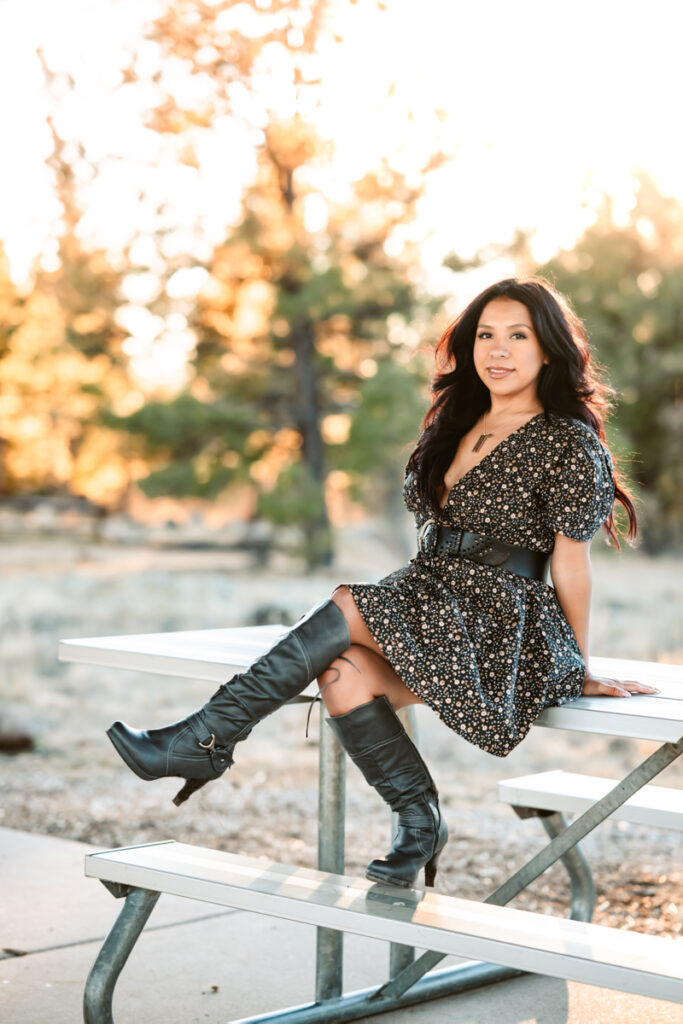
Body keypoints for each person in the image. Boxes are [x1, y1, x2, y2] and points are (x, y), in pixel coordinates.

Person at [107, 275, 658, 890]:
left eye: (518, 336)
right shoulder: (460, 421)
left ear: (550, 350)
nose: (498, 351)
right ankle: (420, 823)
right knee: (343, 673)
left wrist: (577, 663)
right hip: (432, 594)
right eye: (486, 336)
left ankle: (202, 740)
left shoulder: (566, 440)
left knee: (347, 602)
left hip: (501, 619)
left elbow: (572, 562)